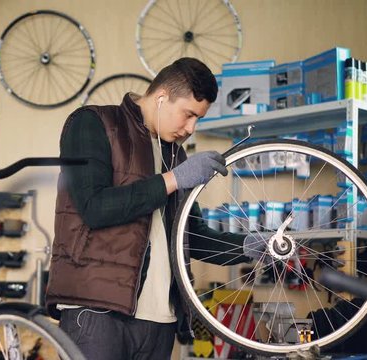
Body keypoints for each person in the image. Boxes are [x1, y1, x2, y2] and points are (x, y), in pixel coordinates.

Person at [46, 57, 267, 359]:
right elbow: (94, 208)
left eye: (198, 119)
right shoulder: (93, 123)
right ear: (162, 97)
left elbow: (191, 237)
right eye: (188, 114)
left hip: (160, 321)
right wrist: (174, 179)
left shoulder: (172, 154)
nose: (191, 128)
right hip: (98, 312)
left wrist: (248, 246)